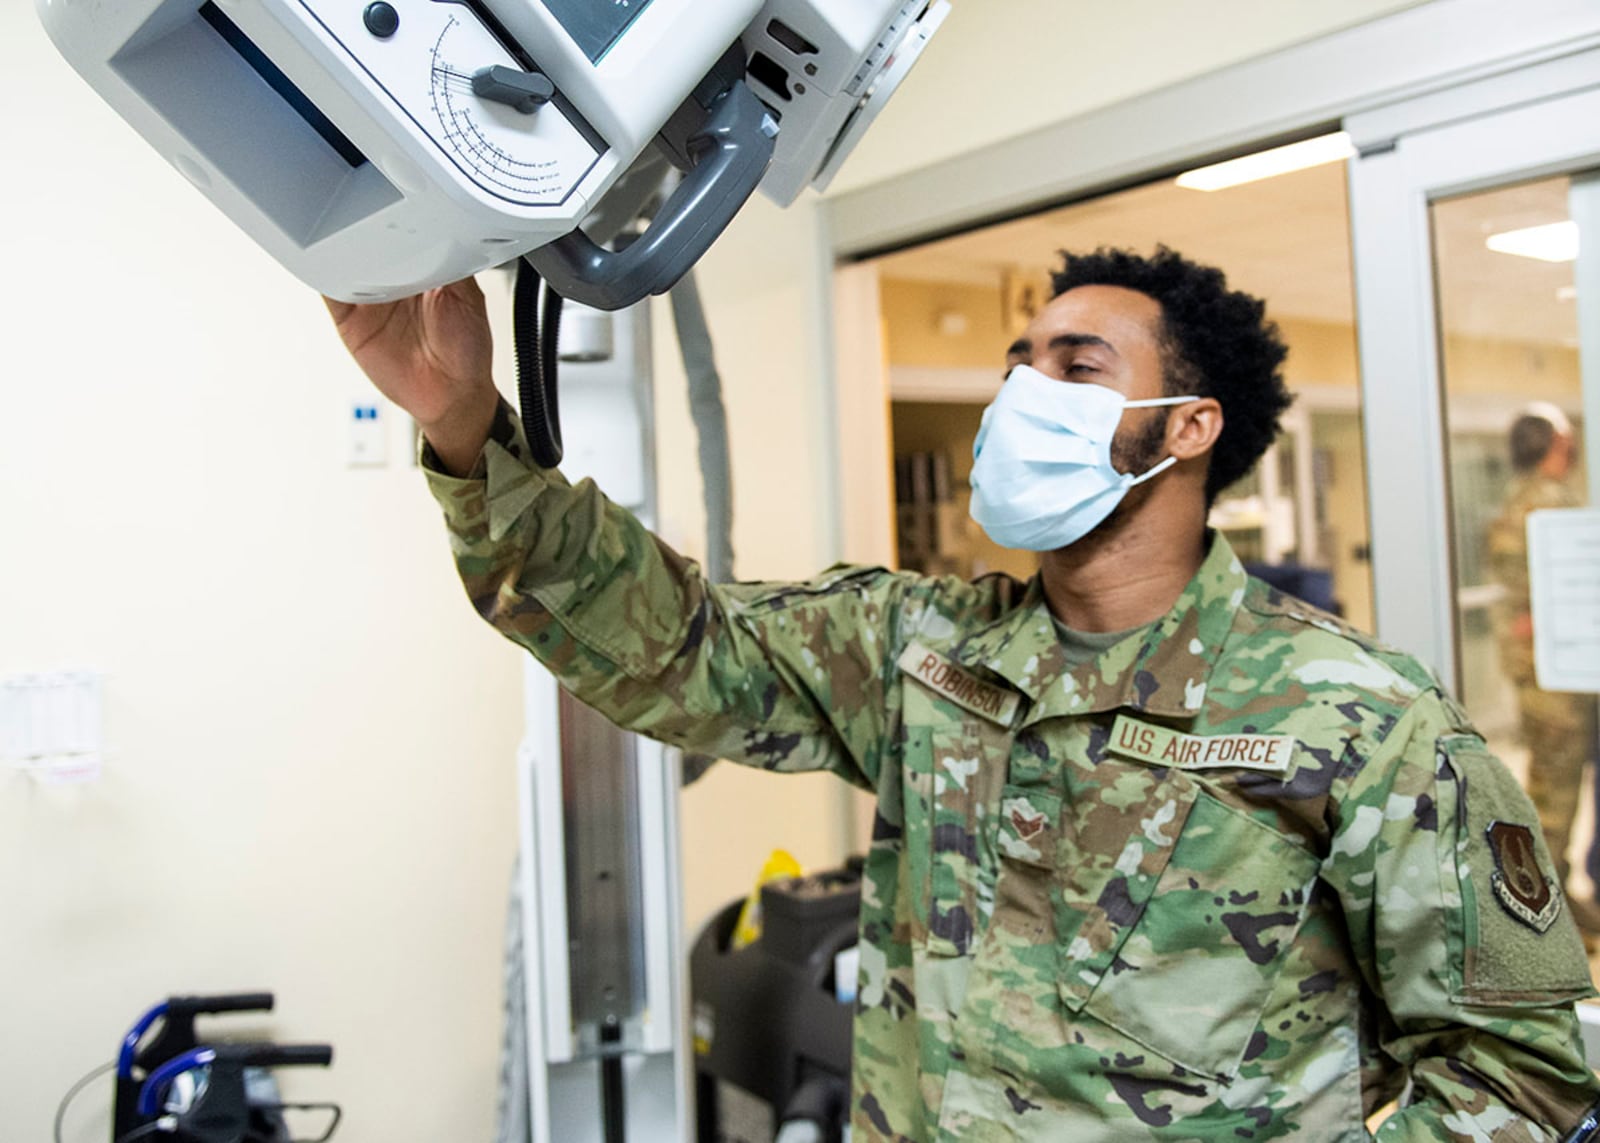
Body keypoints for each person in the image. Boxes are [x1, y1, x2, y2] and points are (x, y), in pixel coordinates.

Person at [327, 247, 1600, 1140]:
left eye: (1075, 365)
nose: (1021, 392)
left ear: (1188, 428)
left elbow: (1525, 1071)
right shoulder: (922, 652)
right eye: (1016, 361)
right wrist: (463, 421)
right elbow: (672, 641)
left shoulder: (1353, 715)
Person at [1488, 406, 1600, 932]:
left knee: (1557, 781)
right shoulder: (1545, 501)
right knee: (1554, 790)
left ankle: (1557, 897)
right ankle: (1543, 916)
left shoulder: (1524, 496)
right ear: (1557, 443)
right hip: (1553, 671)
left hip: (1549, 667)